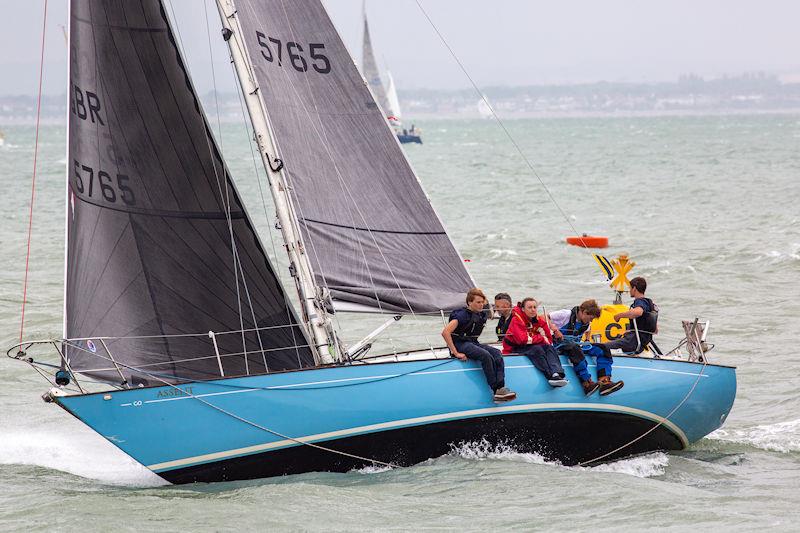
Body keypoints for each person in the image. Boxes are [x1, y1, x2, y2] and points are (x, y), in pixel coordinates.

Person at [442, 288, 517, 402]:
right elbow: (445, 332)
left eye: (482, 302)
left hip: (472, 342)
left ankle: (501, 387)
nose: (481, 304)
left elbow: (493, 310)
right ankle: (495, 389)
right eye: (478, 302)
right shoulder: (461, 315)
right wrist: (455, 352)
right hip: (460, 343)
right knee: (485, 355)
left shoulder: (482, 314)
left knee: (497, 353)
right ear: (469, 302)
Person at [594, 276, 658, 395]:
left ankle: (605, 381)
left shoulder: (640, 302)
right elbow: (655, 330)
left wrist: (619, 315)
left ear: (634, 288)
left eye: (630, 288)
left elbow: (638, 312)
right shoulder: (651, 304)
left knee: (601, 347)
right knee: (614, 343)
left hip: (633, 340)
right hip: (642, 340)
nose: (629, 290)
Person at [502, 298, 568, 387]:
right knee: (537, 349)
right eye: (529, 307)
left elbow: (548, 340)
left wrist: (534, 338)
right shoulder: (516, 320)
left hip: (530, 345)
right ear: (523, 309)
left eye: (534, 307)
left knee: (549, 348)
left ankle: (556, 373)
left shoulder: (539, 321)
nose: (533, 310)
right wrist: (540, 337)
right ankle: (549, 376)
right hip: (515, 347)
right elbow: (523, 340)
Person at [549, 300, 604, 395]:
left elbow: (588, 330)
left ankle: (605, 380)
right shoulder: (565, 314)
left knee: (602, 348)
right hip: (559, 345)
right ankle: (586, 383)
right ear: (584, 312)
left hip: (575, 345)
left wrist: (587, 340)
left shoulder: (586, 323)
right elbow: (544, 317)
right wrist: (555, 329)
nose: (591, 321)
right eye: (591, 318)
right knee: (575, 348)